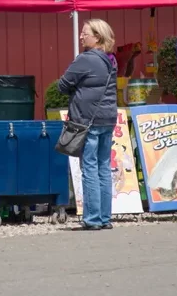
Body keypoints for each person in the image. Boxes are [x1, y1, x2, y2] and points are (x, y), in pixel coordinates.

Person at [58, 19, 117, 231]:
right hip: (107, 118)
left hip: (88, 119)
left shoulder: (85, 59)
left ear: (97, 37)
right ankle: (104, 217)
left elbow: (62, 85)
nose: (81, 36)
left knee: (90, 168)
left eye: (85, 33)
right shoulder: (111, 59)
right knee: (103, 168)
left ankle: (92, 218)